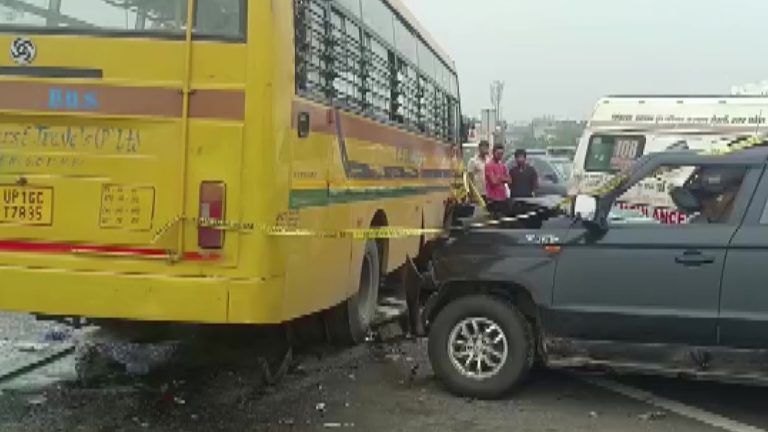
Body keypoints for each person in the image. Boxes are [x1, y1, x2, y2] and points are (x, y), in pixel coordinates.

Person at [485, 144, 510, 216]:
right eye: (498, 153)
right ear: (493, 153)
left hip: (502, 197)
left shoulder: (503, 166)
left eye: (502, 154)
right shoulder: (489, 165)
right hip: (493, 198)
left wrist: (499, 178)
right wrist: (503, 179)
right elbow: (493, 182)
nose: (500, 156)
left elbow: (509, 180)